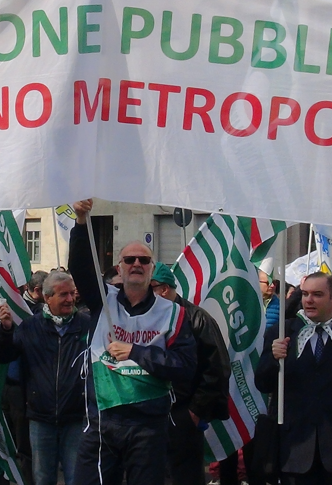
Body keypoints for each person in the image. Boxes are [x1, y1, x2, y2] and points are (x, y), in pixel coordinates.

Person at [68, 200, 198, 485]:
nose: (136, 264)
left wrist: (136, 352)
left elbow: (185, 367)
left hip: (148, 422)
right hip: (103, 418)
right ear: (120, 267)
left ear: (152, 268)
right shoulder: (103, 300)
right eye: (129, 260)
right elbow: (80, 267)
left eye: (143, 260)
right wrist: (81, 221)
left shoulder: (173, 313)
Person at [257, 272, 332, 485]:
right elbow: (263, 383)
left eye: (317, 294)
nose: (309, 300)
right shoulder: (283, 333)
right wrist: (273, 359)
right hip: (293, 452)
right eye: (305, 294)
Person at [0, 270, 92, 485]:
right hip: (40, 419)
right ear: (47, 298)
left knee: (76, 477)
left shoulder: (86, 325)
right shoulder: (31, 326)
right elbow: (3, 356)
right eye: (63, 294)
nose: (70, 299)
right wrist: (6, 330)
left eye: (71, 293)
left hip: (76, 418)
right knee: (43, 478)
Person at [149, 263, 231, 485]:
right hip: (152, 412)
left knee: (185, 475)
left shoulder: (197, 318)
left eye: (149, 288)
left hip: (183, 412)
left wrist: (195, 411)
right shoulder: (147, 317)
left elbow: (218, 368)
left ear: (163, 289)